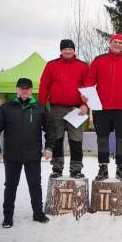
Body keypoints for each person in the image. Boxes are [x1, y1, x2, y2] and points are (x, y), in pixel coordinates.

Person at [0, 78, 54, 228]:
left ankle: (38, 214)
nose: (25, 91)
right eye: (22, 88)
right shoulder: (7, 108)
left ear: (31, 90)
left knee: (35, 185)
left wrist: (49, 147)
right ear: (16, 90)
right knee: (10, 186)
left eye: (27, 88)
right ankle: (7, 217)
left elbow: (51, 129)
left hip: (33, 154)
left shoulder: (39, 108)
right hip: (12, 155)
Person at [84, 33, 122, 182]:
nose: (117, 44)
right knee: (102, 139)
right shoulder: (98, 60)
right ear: (110, 42)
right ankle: (103, 168)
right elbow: (89, 80)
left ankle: (121, 168)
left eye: (120, 42)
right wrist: (88, 94)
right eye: (115, 41)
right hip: (101, 108)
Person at [38, 39, 88, 179]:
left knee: (76, 140)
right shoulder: (51, 65)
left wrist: (86, 105)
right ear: (61, 50)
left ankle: (76, 169)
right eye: (65, 48)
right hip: (56, 109)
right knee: (57, 139)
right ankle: (57, 168)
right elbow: (44, 86)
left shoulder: (83, 66)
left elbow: (89, 87)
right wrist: (41, 107)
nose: (67, 51)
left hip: (76, 109)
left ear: (74, 50)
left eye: (70, 48)